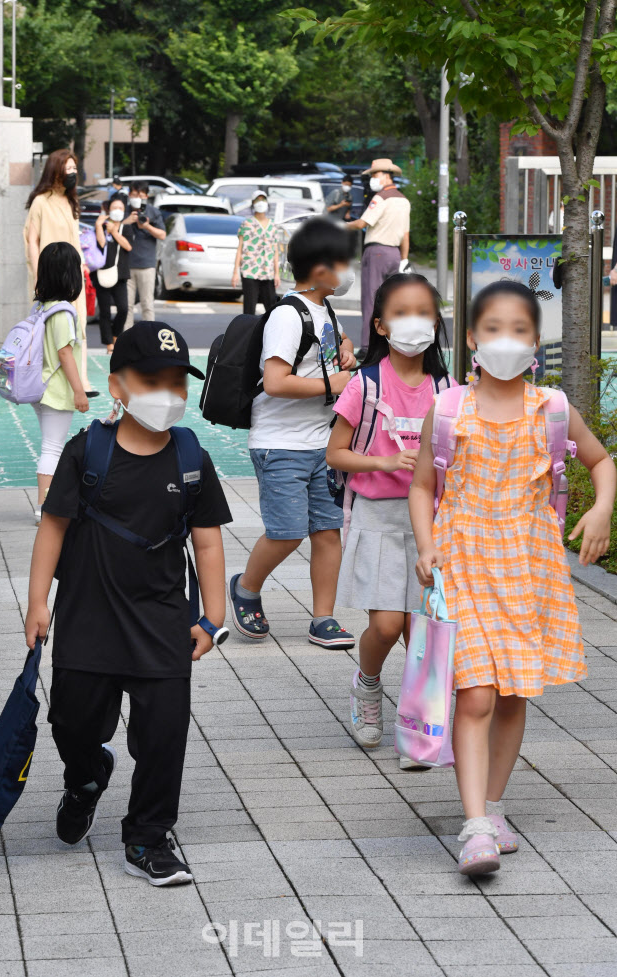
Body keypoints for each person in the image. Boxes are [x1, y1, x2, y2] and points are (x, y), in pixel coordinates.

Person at [409, 280, 616, 877]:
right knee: (473, 692)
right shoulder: (448, 409)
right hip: (464, 561)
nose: (506, 341)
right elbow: (423, 486)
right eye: (493, 329)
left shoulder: (551, 408)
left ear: (536, 340)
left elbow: (600, 461)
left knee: (512, 693)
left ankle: (494, 806)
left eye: (520, 330)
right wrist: (426, 547)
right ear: (472, 338)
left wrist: (599, 507)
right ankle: (474, 825)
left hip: (530, 565)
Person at [24, 322, 232, 886]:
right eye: (151, 380)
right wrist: (37, 600)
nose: (166, 394)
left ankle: (147, 837)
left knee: (164, 735)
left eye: (176, 383)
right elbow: (53, 527)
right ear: (117, 386)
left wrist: (212, 617)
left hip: (161, 622)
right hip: (87, 621)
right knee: (71, 723)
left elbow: (208, 540)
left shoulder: (191, 457)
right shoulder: (86, 451)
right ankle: (87, 776)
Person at [327, 273, 455, 750]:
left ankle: (419, 724)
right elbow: (335, 453)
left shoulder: (447, 387)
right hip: (378, 518)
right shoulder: (365, 384)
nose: (413, 322)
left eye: (424, 311)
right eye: (401, 313)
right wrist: (381, 460)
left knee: (422, 631)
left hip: (433, 522)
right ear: (380, 326)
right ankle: (368, 683)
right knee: (387, 625)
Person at [229, 218, 358, 648]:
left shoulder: (325, 309)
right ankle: (246, 587)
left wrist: (346, 351)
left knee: (327, 530)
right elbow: (275, 381)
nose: (347, 271)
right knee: (286, 532)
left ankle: (323, 618)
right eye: (341, 263)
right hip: (280, 444)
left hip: (322, 441)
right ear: (320, 268)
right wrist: (330, 385)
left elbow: (331, 351)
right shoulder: (286, 314)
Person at [24, 149, 98, 397]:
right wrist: (38, 275)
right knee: (53, 329)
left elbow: (75, 239)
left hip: (73, 275)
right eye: (68, 168)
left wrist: (83, 266)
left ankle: (83, 381)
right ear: (55, 170)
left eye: (75, 169)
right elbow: (31, 240)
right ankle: (53, 380)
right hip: (49, 277)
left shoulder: (70, 201)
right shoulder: (40, 202)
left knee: (79, 326)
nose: (73, 173)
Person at [31, 242, 89, 525]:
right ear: (71, 274)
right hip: (56, 389)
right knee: (53, 448)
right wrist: (80, 391)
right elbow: (65, 353)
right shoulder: (63, 312)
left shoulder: (41, 307)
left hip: (39, 387)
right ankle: (44, 506)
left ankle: (48, 502)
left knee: (49, 445)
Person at [345, 158, 411, 353]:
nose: (373, 178)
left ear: (386, 175)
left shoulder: (380, 198)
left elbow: (361, 223)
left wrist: (337, 226)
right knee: (391, 300)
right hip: (395, 254)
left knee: (371, 300)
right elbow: (405, 234)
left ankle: (368, 346)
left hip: (376, 253)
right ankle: (392, 343)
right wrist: (404, 259)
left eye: (375, 174)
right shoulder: (404, 200)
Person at [123, 181, 167, 329]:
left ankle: (151, 337)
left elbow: (162, 235)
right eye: (134, 195)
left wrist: (146, 226)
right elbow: (112, 230)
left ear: (146, 196)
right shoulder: (124, 210)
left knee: (147, 304)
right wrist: (127, 221)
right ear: (129, 195)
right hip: (126, 265)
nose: (137, 198)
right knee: (126, 306)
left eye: (141, 195)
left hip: (147, 264)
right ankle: (125, 339)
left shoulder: (153, 212)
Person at [94, 194, 134, 353]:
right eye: (114, 208)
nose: (117, 210)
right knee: (104, 311)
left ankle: (117, 336)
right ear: (108, 210)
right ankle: (109, 343)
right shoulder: (102, 225)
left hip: (120, 273)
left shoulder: (127, 227)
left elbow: (128, 247)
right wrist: (99, 227)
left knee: (123, 308)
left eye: (120, 208)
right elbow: (101, 244)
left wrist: (115, 232)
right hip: (102, 273)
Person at [231, 191, 280, 315]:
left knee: (271, 307)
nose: (261, 203)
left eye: (263, 200)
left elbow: (275, 251)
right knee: (249, 307)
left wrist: (277, 273)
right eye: (257, 201)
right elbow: (240, 248)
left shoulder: (273, 226)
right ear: (253, 204)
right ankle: (248, 332)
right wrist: (235, 272)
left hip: (267, 271)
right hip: (249, 270)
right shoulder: (246, 224)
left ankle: (271, 331)